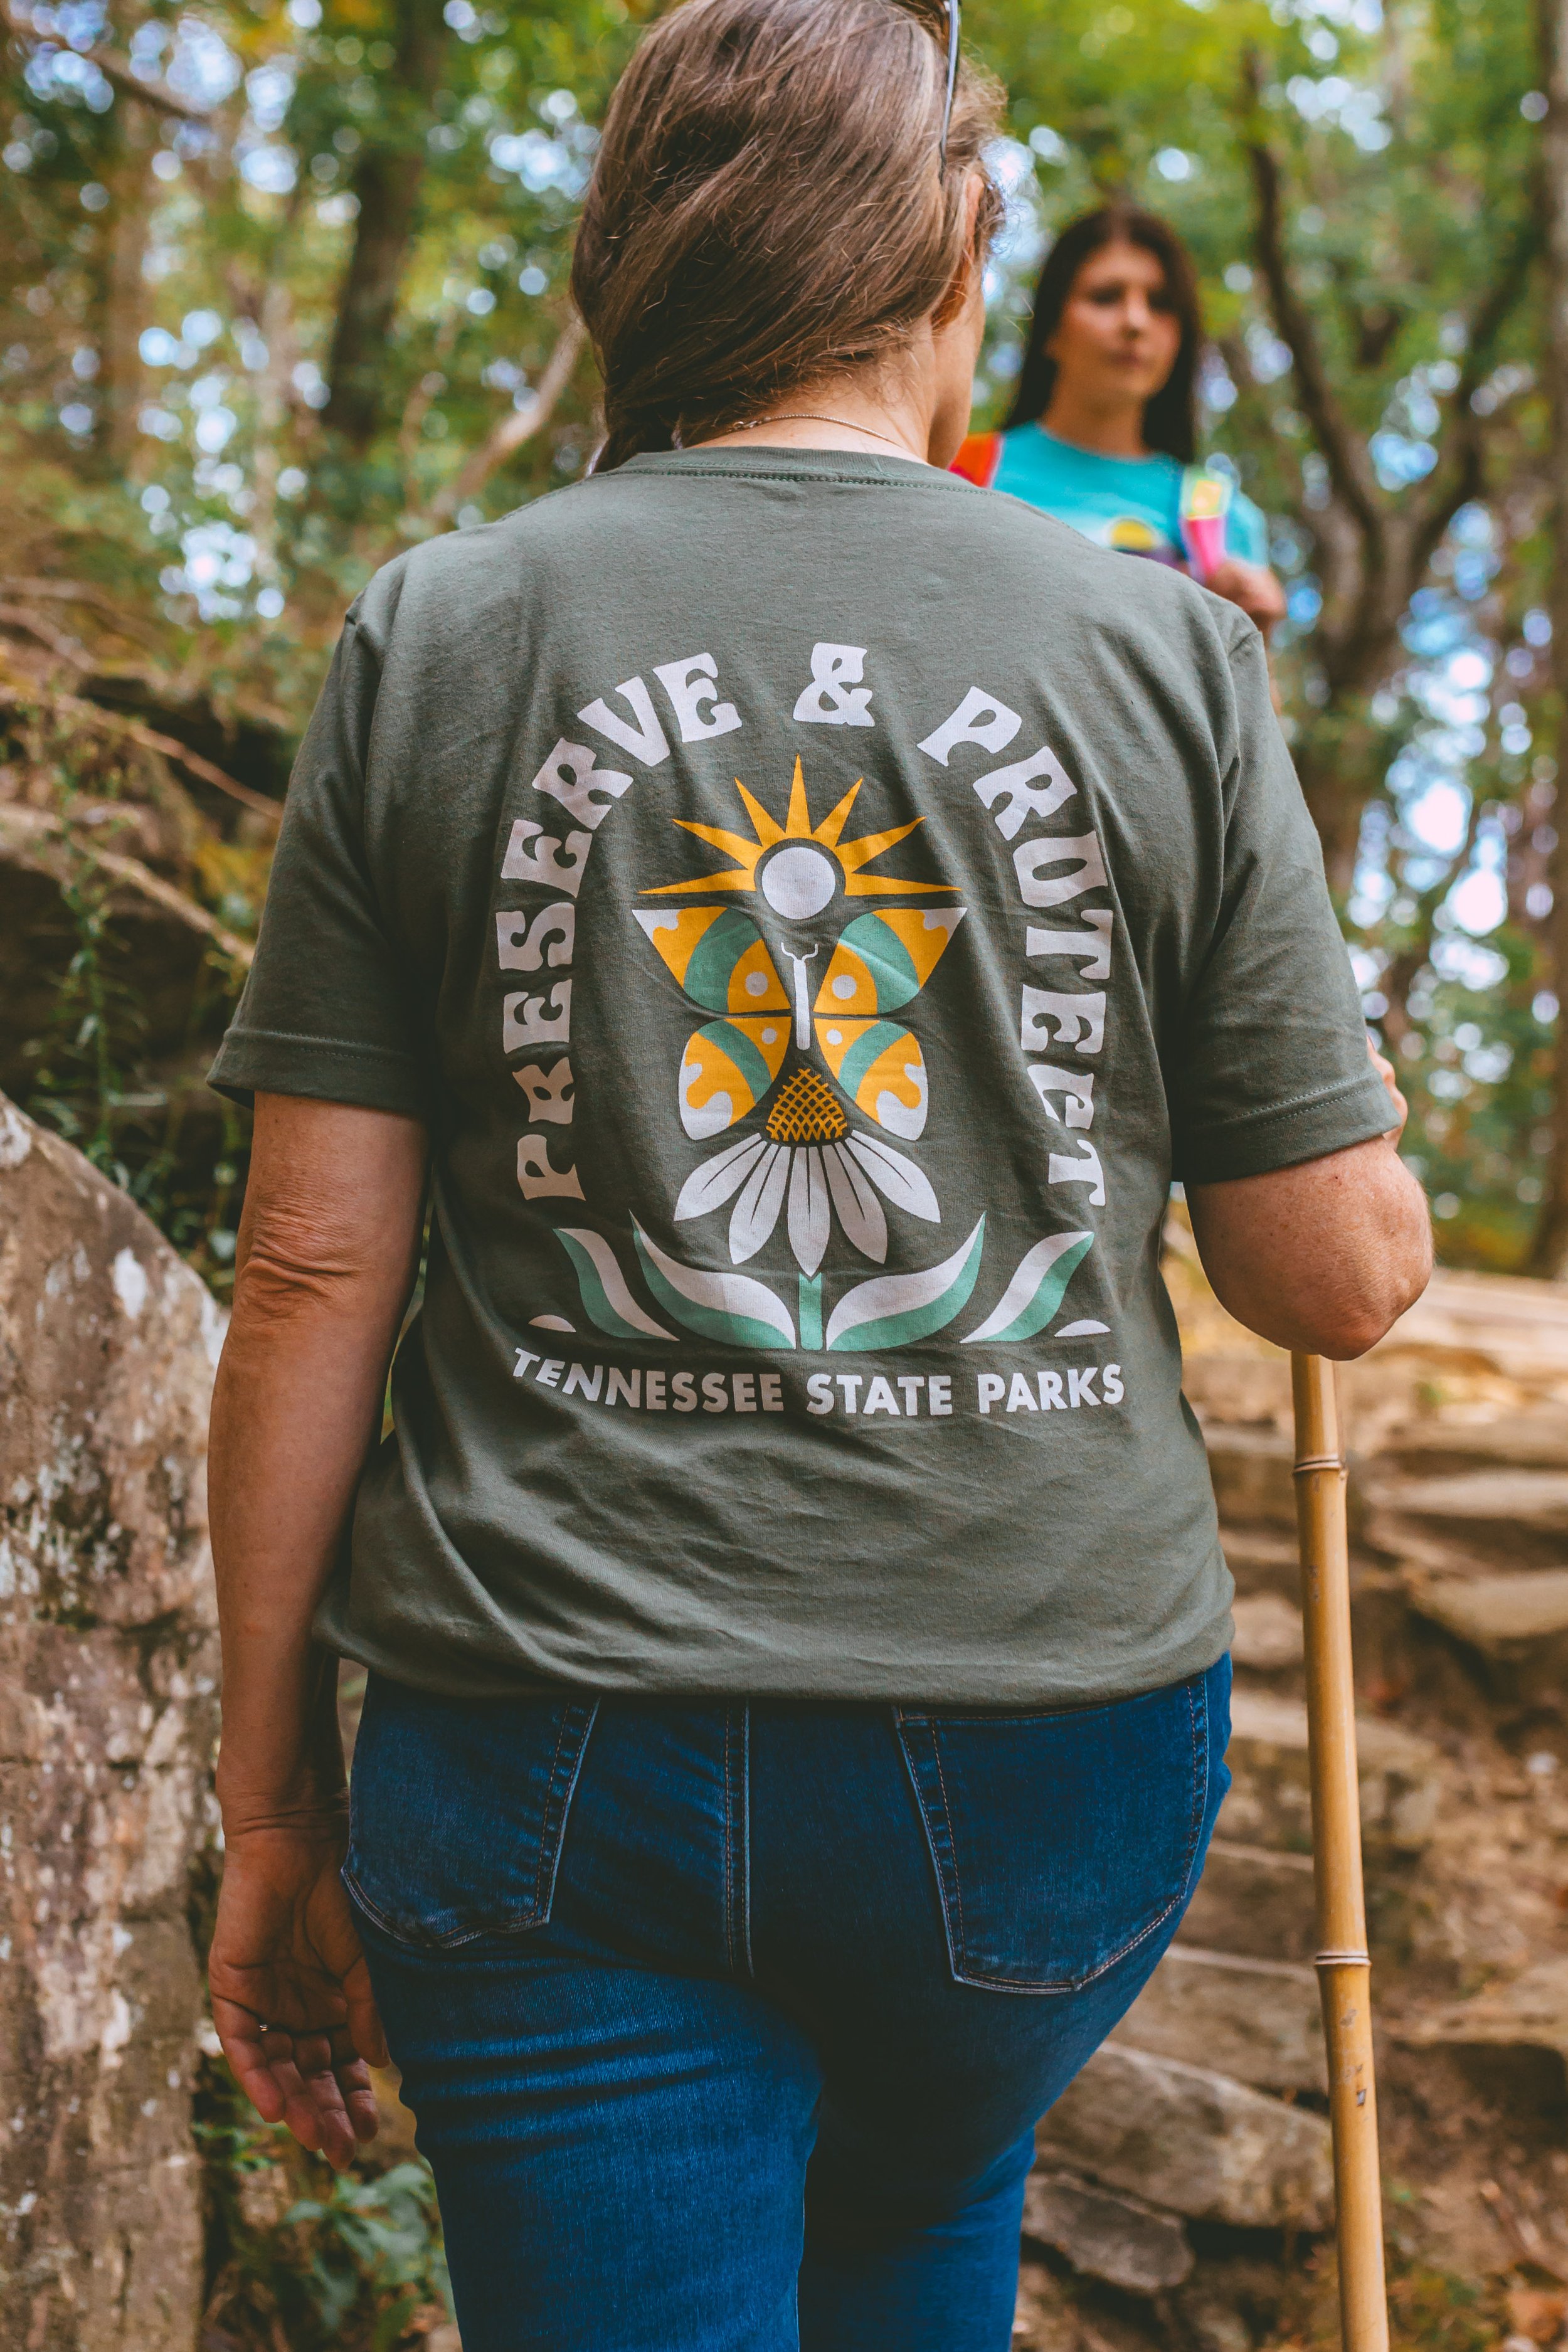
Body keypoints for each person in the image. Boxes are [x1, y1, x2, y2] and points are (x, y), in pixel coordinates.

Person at [203, 4, 1431, 2348]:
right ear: (954, 252)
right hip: (1043, 1746)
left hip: (543, 1732)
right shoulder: (1167, 652)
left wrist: (271, 1809)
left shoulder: (443, 627)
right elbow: (1338, 1272)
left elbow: (306, 1260)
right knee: (918, 2225)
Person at [954, 204, 1287, 639]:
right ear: (1052, 328)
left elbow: (1255, 706)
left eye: (1161, 304)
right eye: (1106, 297)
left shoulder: (1219, 515)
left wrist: (1255, 640)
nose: (1135, 321)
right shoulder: (960, 471)